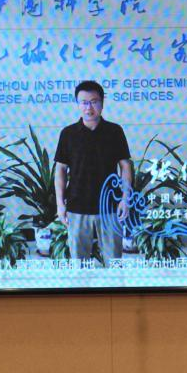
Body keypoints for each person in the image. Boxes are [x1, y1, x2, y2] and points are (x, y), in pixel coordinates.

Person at [53, 80, 133, 267]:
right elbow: (60, 170)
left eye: (94, 102)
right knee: (79, 264)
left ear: (102, 103)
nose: (89, 107)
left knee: (114, 262)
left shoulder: (114, 131)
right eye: (84, 102)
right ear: (78, 104)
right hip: (77, 206)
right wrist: (60, 204)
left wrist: (125, 198)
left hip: (109, 207)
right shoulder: (68, 134)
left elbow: (125, 166)